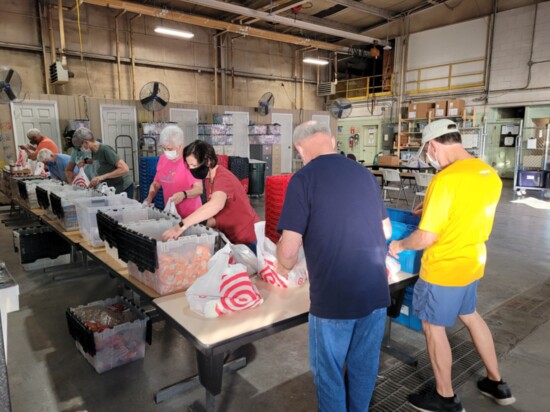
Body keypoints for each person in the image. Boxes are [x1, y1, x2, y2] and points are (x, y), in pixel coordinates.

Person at [389, 119, 515, 412]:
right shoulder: (488, 173)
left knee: (434, 328)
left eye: (428, 152)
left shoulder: (445, 180)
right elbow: (466, 210)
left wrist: (399, 245)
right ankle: (497, 383)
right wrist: (430, 206)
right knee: (470, 315)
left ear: (433, 145)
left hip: (444, 268)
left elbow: (426, 237)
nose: (430, 159)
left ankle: (444, 397)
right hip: (472, 262)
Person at [275, 121, 392, 412]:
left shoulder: (303, 179)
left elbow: (288, 253)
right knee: (363, 368)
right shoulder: (364, 174)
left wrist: (281, 261)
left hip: (334, 299)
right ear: (330, 139)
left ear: (300, 149)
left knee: (329, 373)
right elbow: (387, 231)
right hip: (376, 293)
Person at [162, 140, 259, 252]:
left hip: (249, 238)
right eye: (189, 166)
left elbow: (215, 205)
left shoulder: (223, 178)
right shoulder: (209, 180)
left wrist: (182, 225)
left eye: (194, 165)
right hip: (235, 239)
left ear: (208, 161)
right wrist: (195, 222)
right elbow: (218, 216)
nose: (192, 169)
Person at [143, 125, 202, 218]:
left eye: (170, 149)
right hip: (172, 213)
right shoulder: (162, 159)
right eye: (164, 148)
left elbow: (199, 189)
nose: (166, 152)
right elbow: (156, 184)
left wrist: (184, 194)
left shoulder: (190, 161)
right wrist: (149, 198)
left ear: (180, 146)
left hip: (191, 215)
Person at [72, 127, 134, 197]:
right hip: (111, 188)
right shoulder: (93, 151)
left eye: (80, 147)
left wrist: (101, 177)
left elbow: (125, 169)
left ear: (86, 142)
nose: (80, 149)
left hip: (123, 187)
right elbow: (98, 160)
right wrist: (84, 161)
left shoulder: (105, 150)